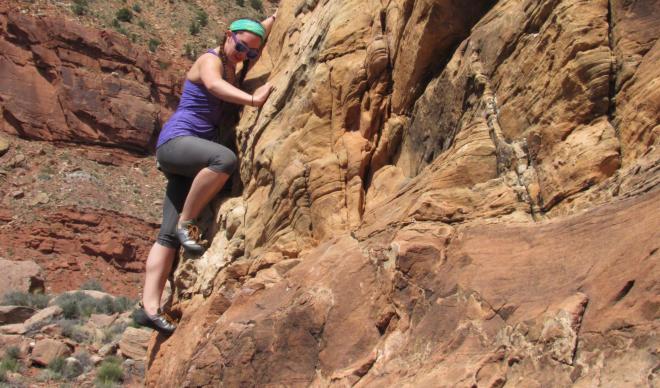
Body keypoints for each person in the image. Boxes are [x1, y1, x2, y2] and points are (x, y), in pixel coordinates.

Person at [133, 13, 277, 334]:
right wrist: (253, 99)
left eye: (251, 53)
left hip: (190, 159)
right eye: (240, 47)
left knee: (166, 236)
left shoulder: (234, 59)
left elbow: (257, 32)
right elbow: (213, 85)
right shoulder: (209, 61)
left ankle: (149, 308)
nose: (244, 55)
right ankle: (189, 222)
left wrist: (275, 17)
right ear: (227, 35)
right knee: (224, 160)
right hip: (177, 143)